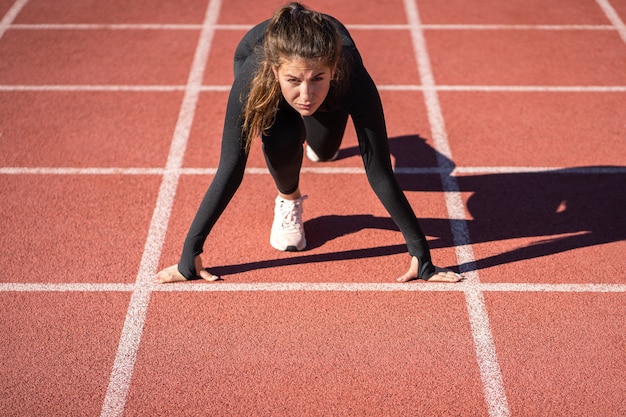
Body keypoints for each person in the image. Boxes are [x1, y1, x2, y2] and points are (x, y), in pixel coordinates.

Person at [155, 2, 463, 284]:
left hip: (335, 90)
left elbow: (379, 171)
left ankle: (366, 136)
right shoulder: (254, 77)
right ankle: (288, 199)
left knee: (326, 151)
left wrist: (422, 258)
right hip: (262, 71)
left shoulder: (352, 77)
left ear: (332, 69)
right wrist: (189, 257)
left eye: (318, 78)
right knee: (282, 138)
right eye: (294, 81)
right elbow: (231, 167)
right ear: (276, 71)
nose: (305, 94)